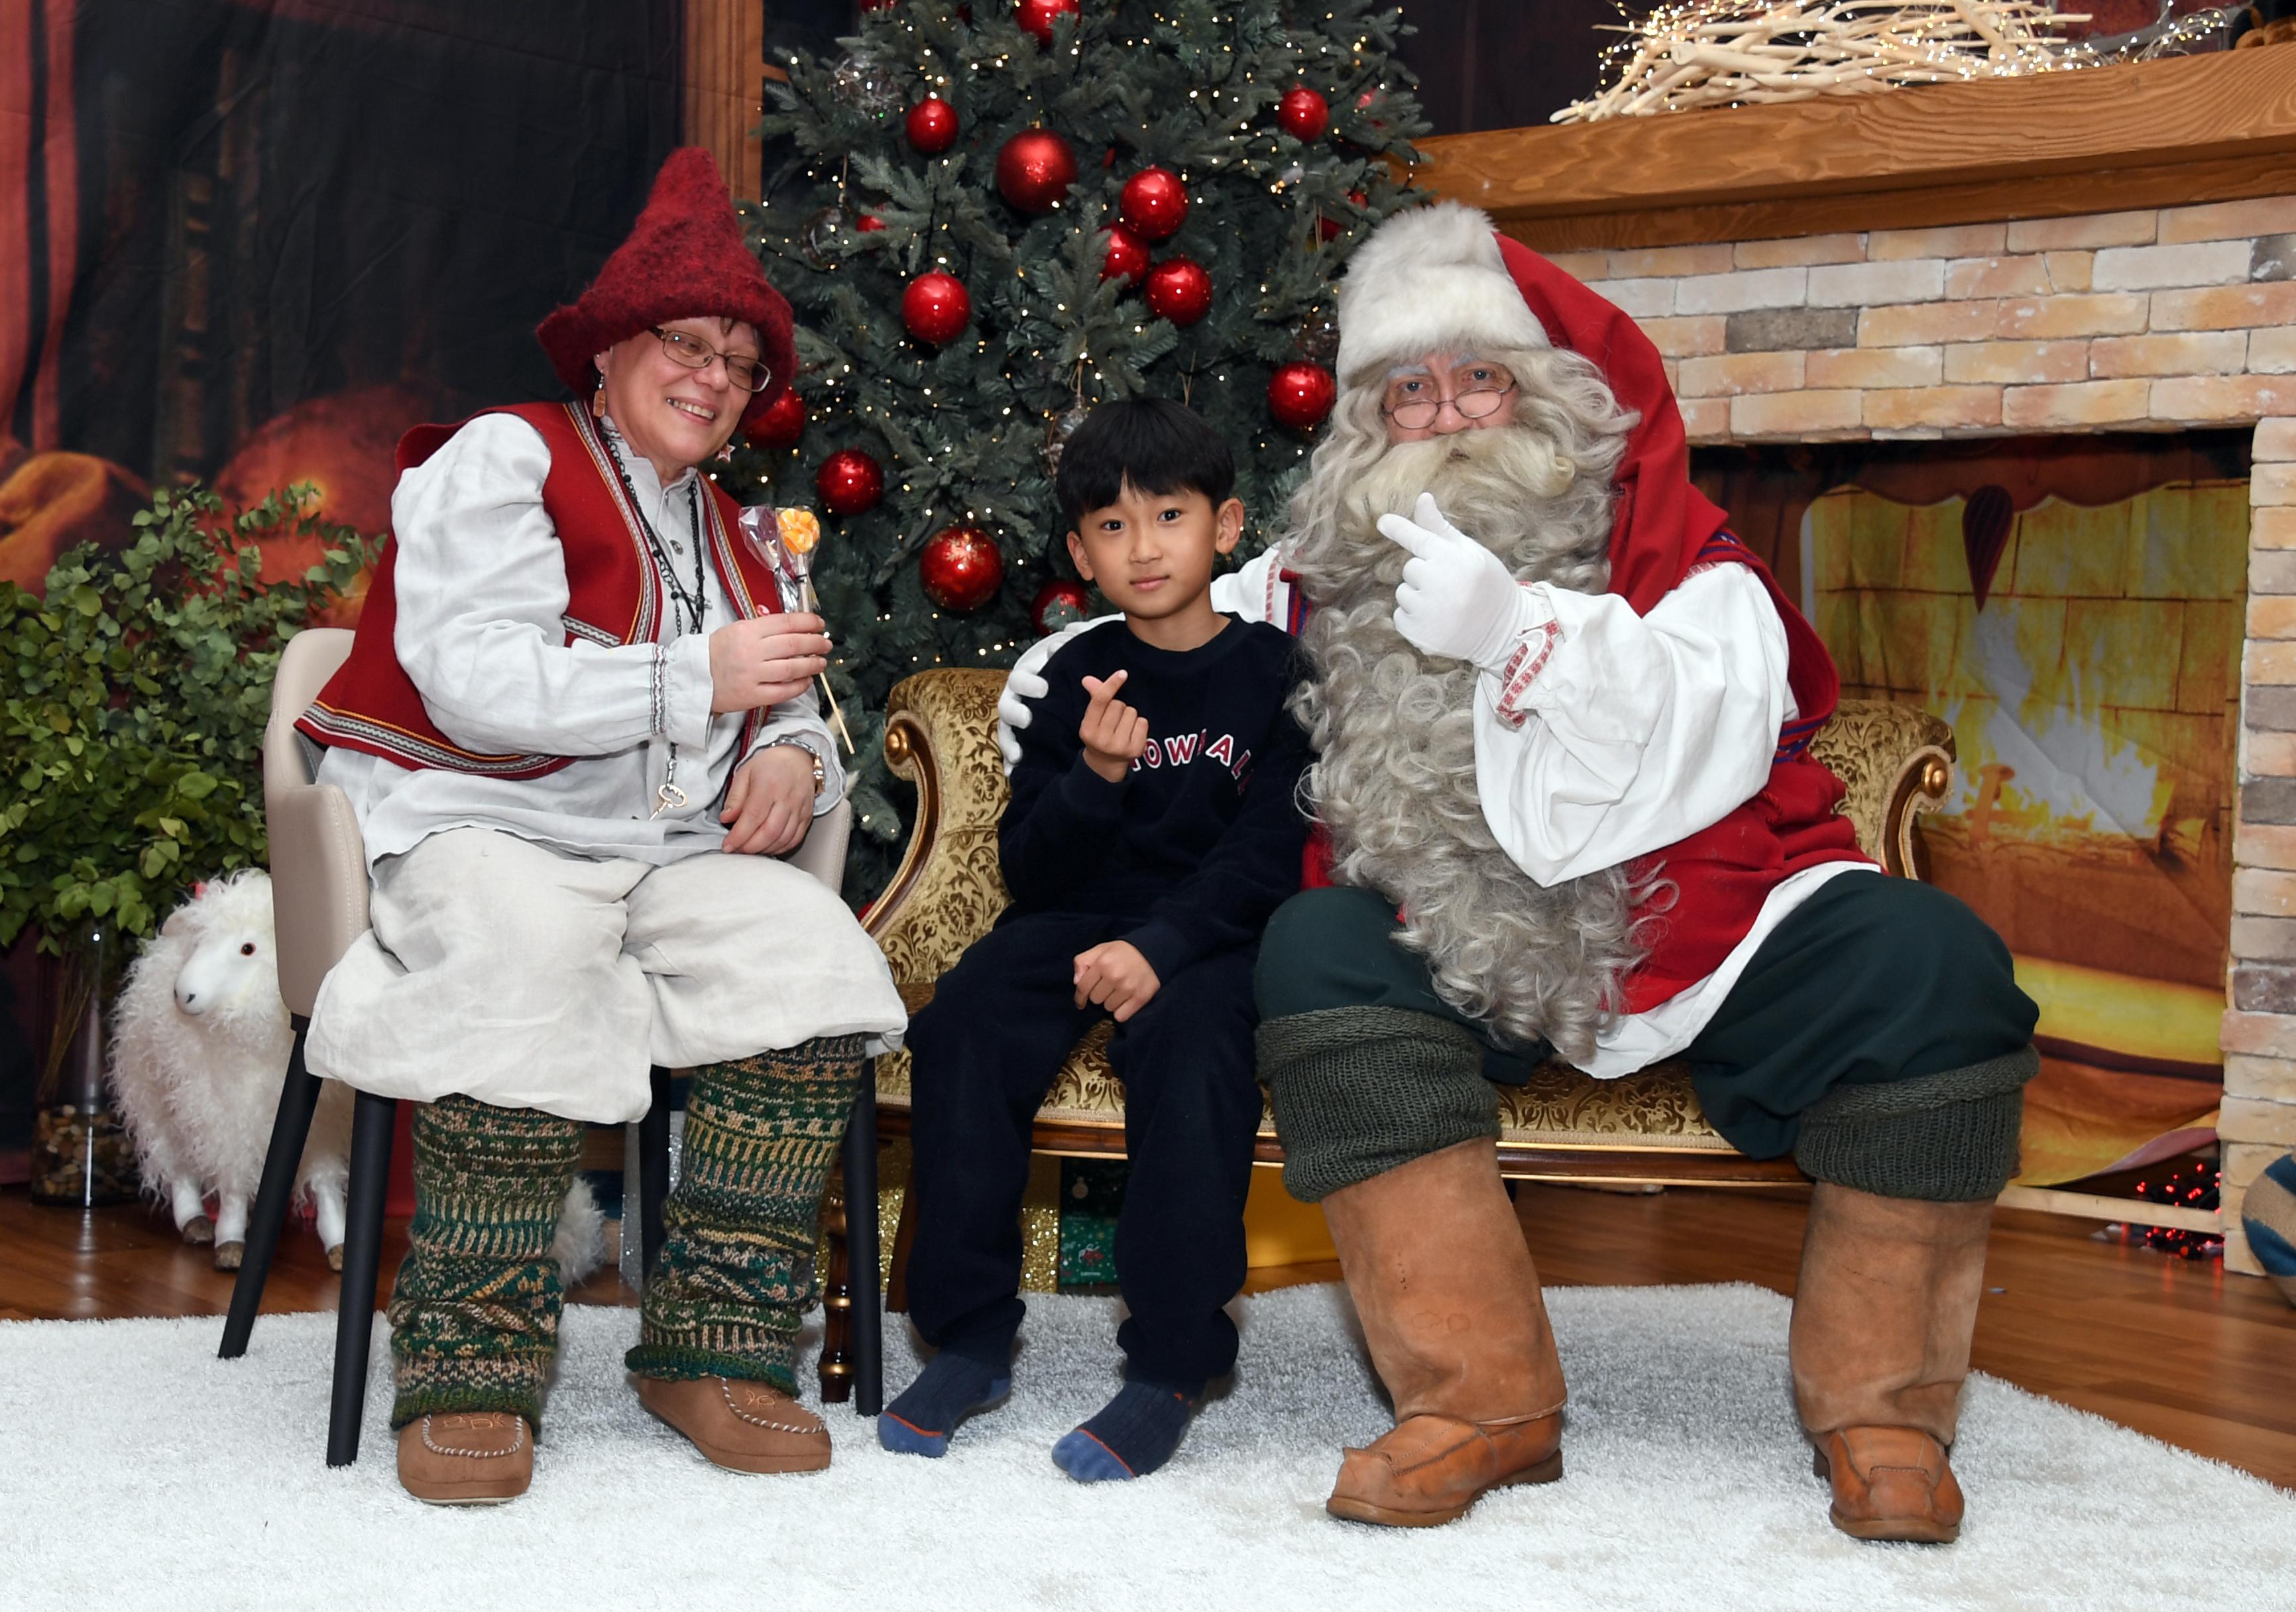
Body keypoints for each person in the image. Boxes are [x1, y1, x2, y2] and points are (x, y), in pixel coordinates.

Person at [1002, 204, 2039, 1544]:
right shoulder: (1319, 571)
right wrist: (1063, 685)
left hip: (1696, 921)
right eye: (1408, 391)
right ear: (1370, 424)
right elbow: (1161, 618)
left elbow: (1721, 712)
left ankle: (1885, 1413)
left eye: (1478, 377)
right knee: (1316, 947)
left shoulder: (1674, 543)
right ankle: (1477, 1397)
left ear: (1544, 391)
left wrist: (1522, 632)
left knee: (1936, 966)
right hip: (1450, 941)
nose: (1447, 415)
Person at [296, 147, 907, 1505]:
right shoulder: (506, 455)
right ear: (614, 351)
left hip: (662, 855)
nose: (713, 378)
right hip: (483, 825)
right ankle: (468, 1362)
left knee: (812, 965)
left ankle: (716, 1344)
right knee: (519, 953)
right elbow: (477, 677)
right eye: (685, 344)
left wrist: (799, 756)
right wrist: (701, 676)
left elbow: (792, 690)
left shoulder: (737, 530)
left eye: (740, 364)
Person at [886, 398, 1313, 1481]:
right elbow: (1030, 868)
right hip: (1072, 921)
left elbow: (1269, 856)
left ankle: (1171, 1363)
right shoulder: (1077, 673)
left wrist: (1163, 949)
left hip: (1208, 936)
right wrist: (1095, 778)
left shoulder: (1276, 676)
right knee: (965, 1028)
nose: (1145, 546)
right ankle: (970, 1338)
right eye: (1112, 528)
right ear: (1079, 552)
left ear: (1226, 527)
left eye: (1170, 515)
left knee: (1193, 1051)